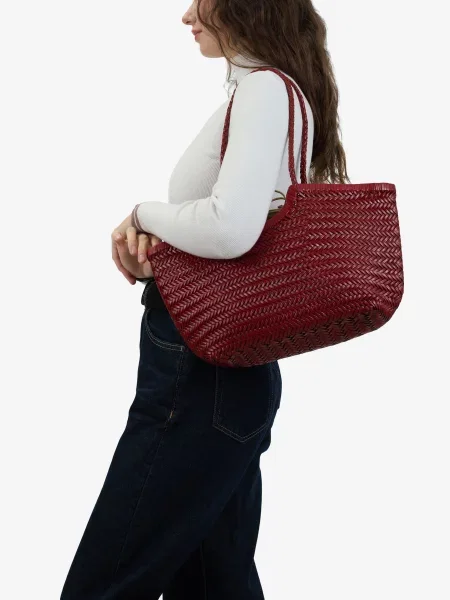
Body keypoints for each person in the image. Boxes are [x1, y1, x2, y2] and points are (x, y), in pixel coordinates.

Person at [60, 0, 349, 598]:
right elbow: (231, 232)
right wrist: (160, 252)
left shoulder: (264, 91)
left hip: (199, 372)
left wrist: (143, 214)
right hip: (227, 371)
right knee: (216, 583)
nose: (187, 14)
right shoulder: (272, 93)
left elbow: (230, 228)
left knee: (106, 582)